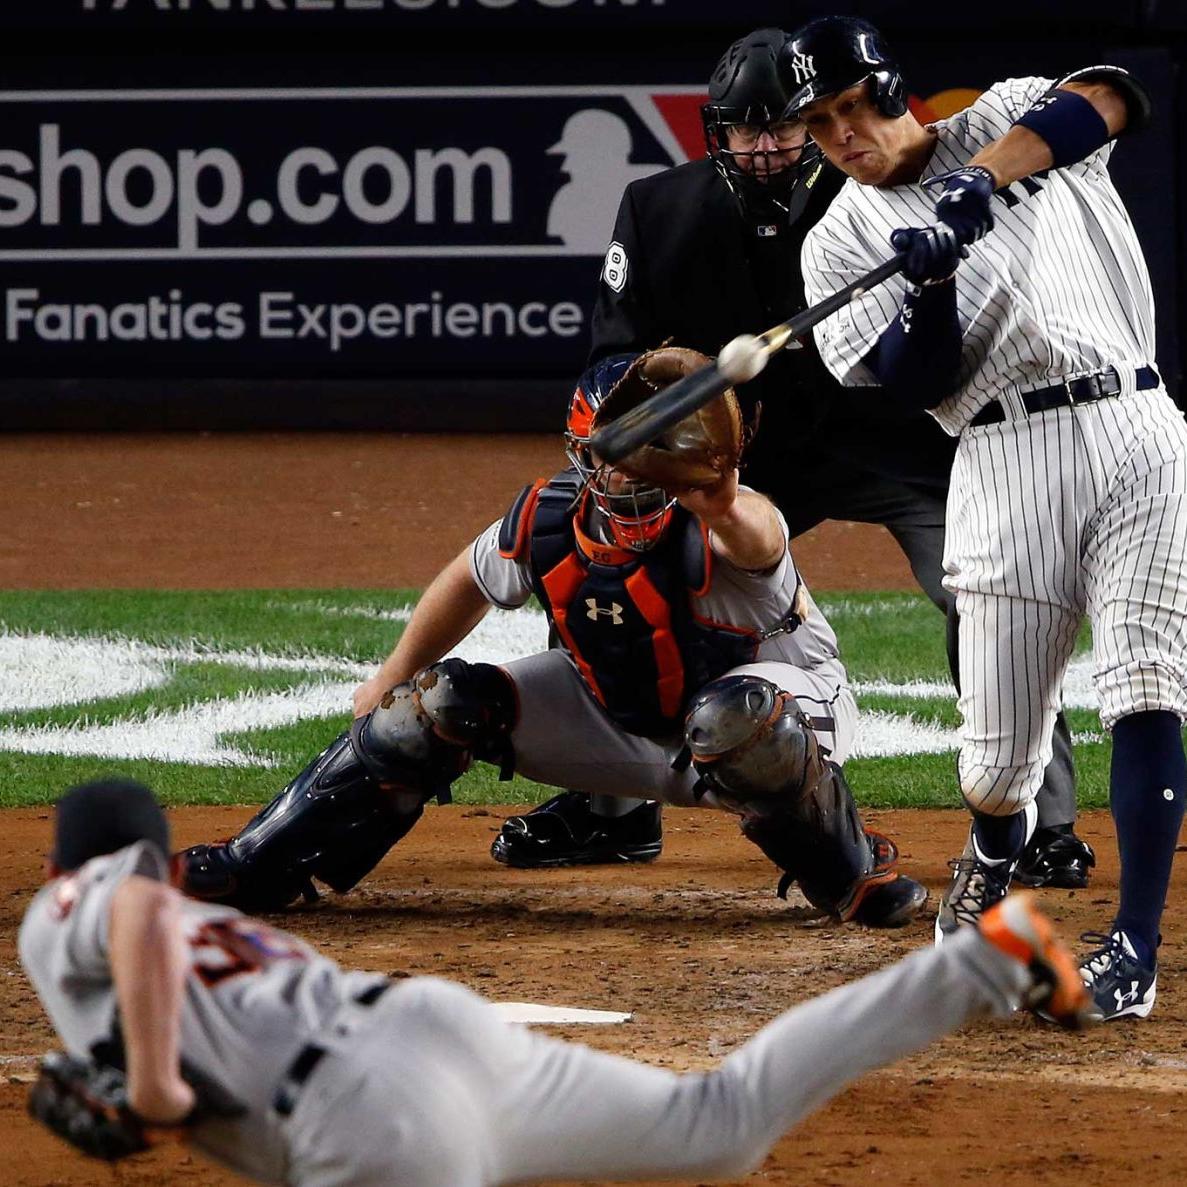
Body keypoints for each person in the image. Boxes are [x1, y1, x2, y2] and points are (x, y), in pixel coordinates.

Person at [490, 25, 1091, 892]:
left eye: (785, 127)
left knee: (988, 598)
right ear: (718, 134)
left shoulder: (882, 195)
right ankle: (610, 811)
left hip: (901, 441)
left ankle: (1040, 821)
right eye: (747, 130)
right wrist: (654, 423)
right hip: (742, 460)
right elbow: (610, 362)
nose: (766, 146)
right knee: (612, 555)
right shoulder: (659, 212)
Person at [21, 777, 1090, 1186]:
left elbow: (138, 910)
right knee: (710, 1124)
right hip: (428, 1031)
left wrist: (156, 1085)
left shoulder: (82, 905)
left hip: (368, 1115)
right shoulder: (195, 924)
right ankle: (982, 961)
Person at [178, 349, 928, 928]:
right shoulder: (548, 519)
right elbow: (465, 580)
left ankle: (850, 870)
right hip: (631, 725)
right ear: (582, 451)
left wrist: (723, 498)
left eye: (647, 452)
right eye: (611, 453)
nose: (626, 473)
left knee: (732, 720)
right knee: (433, 704)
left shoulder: (726, 525)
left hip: (786, 715)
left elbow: (760, 536)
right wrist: (389, 675)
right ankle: (259, 865)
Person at [792, 15, 1186, 1020]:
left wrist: (981, 183)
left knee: (1146, 681)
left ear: (891, 91)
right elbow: (910, 378)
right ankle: (993, 847)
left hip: (1139, 426)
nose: (842, 134)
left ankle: (1131, 949)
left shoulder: (1008, 112)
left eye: (851, 107)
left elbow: (1110, 96)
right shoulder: (837, 239)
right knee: (997, 761)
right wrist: (925, 285)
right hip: (1003, 456)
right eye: (819, 121)